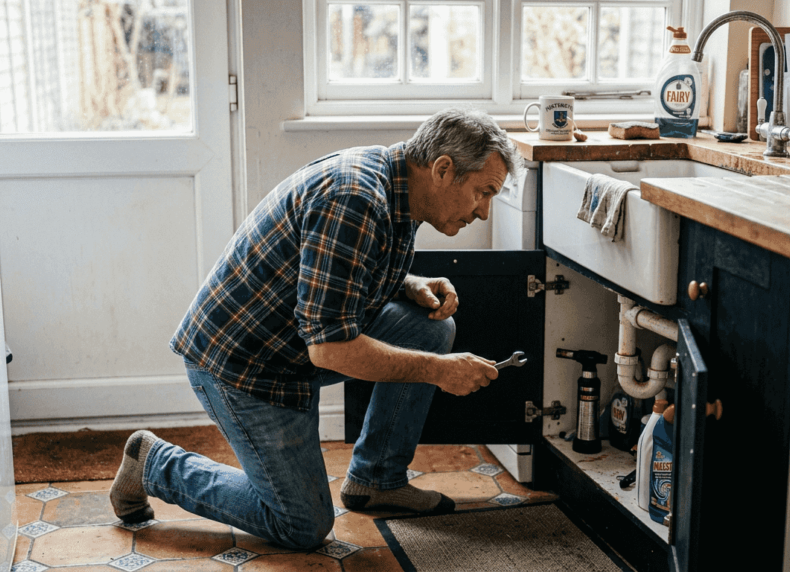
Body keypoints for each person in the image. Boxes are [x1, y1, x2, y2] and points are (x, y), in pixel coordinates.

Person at [108, 107, 525, 549]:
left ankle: (377, 479)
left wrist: (407, 283)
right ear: (443, 169)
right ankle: (153, 465)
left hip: (292, 345)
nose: (483, 212)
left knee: (431, 329)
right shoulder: (356, 198)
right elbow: (330, 350)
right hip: (243, 367)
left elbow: (327, 269)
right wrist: (440, 371)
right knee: (302, 525)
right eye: (484, 192)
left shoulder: (395, 186)